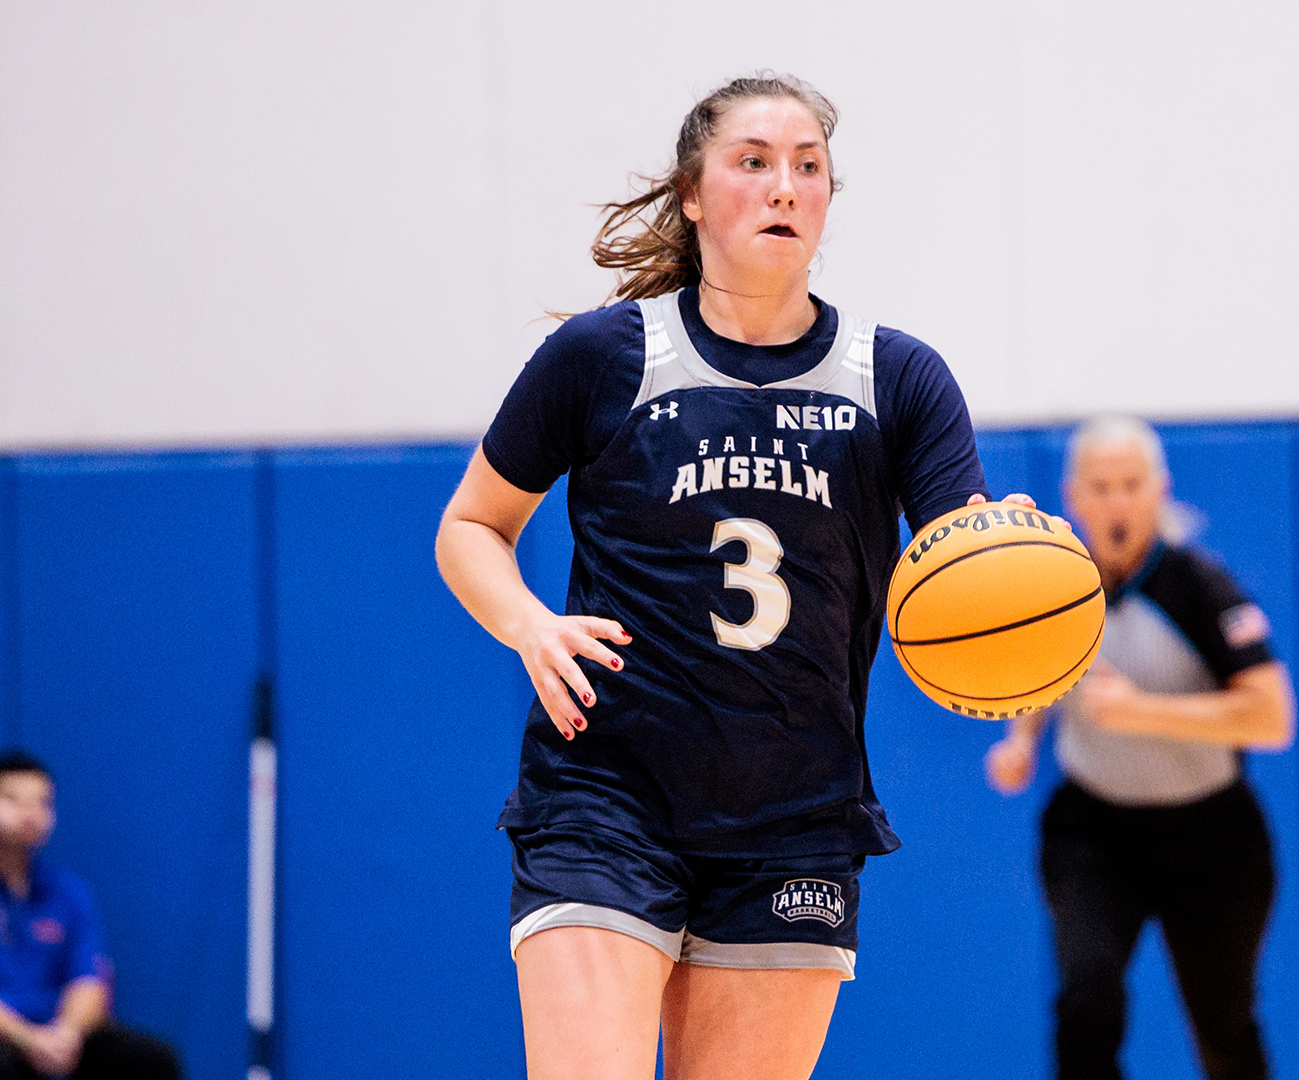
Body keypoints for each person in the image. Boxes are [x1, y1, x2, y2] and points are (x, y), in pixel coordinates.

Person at [434, 73, 1033, 1080]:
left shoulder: (897, 378)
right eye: (753, 163)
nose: (785, 186)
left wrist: (1009, 558)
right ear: (692, 195)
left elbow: (962, 559)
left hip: (795, 814)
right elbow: (470, 527)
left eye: (808, 167)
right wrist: (530, 626)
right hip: (605, 789)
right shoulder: (604, 356)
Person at [984, 416, 1294, 1080]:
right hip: (1095, 831)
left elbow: (1272, 718)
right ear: (1074, 496)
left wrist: (1141, 712)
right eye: (1101, 487)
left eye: (1131, 485)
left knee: (1224, 1026)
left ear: (1160, 491)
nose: (1116, 503)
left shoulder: (1202, 588)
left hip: (1211, 834)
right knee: (1085, 1006)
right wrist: (1021, 741)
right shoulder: (1055, 587)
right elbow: (1043, 673)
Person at [0, 751, 181, 1080]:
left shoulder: (70, 891)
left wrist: (66, 1034)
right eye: (12, 799)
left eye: (42, 802)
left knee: (149, 1059)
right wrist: (24, 1038)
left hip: (55, 1031)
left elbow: (89, 982)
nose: (30, 813)